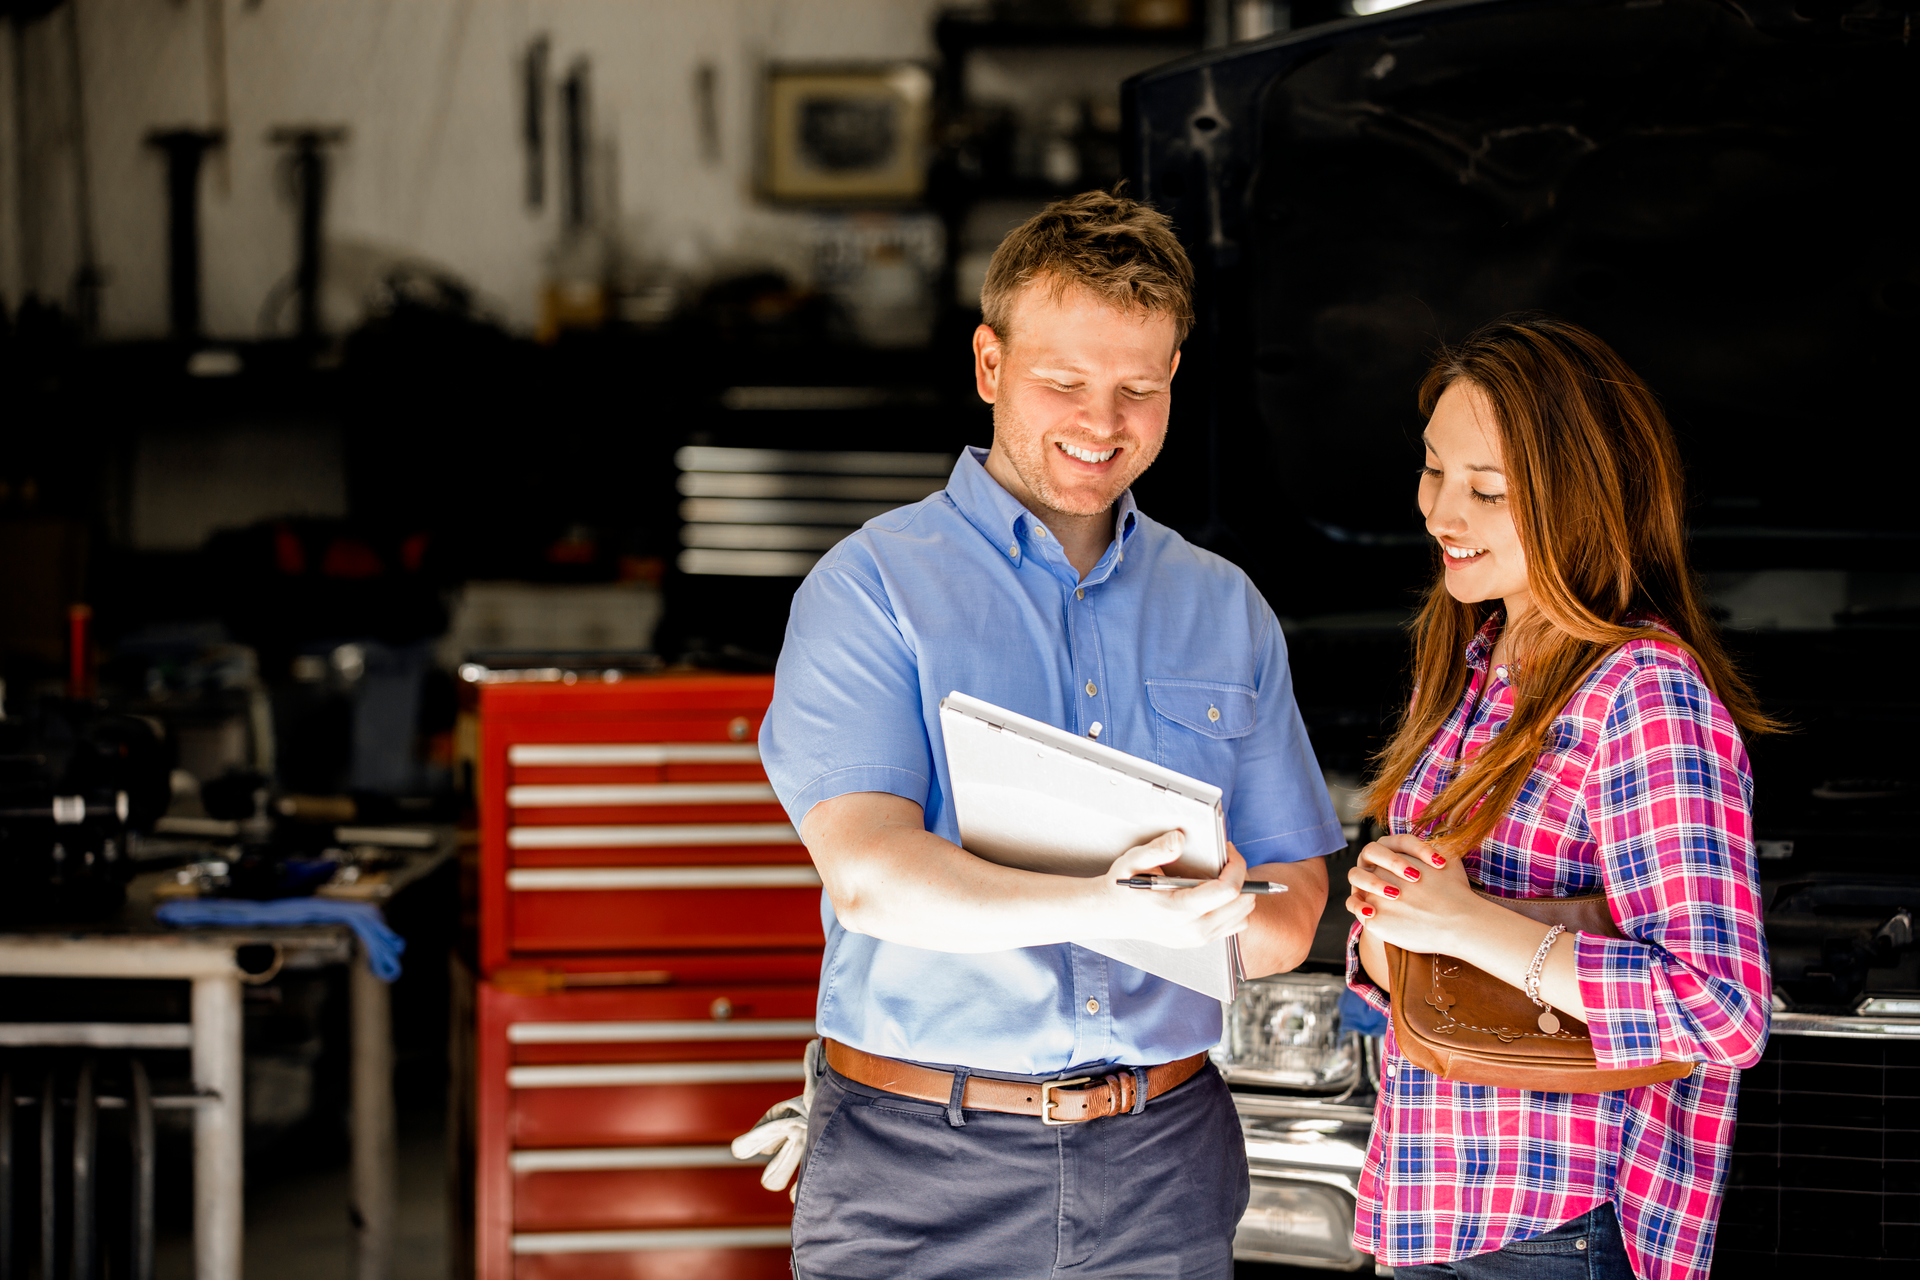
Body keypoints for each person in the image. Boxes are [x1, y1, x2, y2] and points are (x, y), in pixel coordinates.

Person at [759, 189, 1344, 1279]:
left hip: (1164, 1155)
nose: (1101, 421)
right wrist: (1103, 905)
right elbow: (873, 876)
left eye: (1139, 386)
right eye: (1062, 380)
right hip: (918, 1158)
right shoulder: (872, 588)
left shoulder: (1225, 607)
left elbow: (1292, 903)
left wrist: (1232, 909)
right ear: (989, 365)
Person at [1342, 315, 1774, 1280]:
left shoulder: (1643, 694)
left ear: (1582, 500)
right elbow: (1409, 954)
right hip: (1431, 1204)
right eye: (1433, 470)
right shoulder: (1470, 666)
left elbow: (1723, 1012)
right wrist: (1391, 917)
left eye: (1486, 492)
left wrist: (1461, 924)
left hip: (1559, 1228)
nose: (1439, 513)